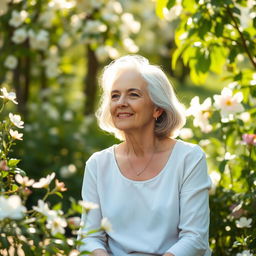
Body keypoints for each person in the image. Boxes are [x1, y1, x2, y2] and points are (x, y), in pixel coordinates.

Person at [78, 55, 212, 256]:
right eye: (115, 96)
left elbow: (195, 239)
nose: (121, 103)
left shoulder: (188, 159)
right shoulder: (98, 164)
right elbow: (89, 237)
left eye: (133, 94)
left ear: (157, 108)